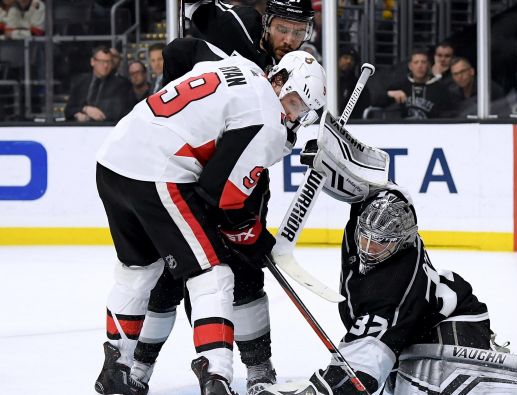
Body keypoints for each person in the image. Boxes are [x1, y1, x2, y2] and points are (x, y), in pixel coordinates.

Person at [115, 2, 320, 394]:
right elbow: (179, 48)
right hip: (185, 170)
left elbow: (297, 120)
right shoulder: (239, 25)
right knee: (165, 277)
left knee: (243, 269)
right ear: (267, 21)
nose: (290, 39)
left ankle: (259, 369)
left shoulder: (298, 64)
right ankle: (139, 368)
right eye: (283, 29)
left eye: (299, 31)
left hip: (240, 173)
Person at [260, 185, 517, 395]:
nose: (367, 246)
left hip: (455, 318)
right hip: (414, 327)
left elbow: (366, 364)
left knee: (435, 386)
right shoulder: (364, 229)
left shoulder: (395, 286)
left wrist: (329, 388)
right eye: (365, 237)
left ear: (400, 242)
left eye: (379, 242)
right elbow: (387, 190)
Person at [64, 45, 135, 122]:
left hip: (107, 129)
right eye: (102, 61)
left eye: (108, 62)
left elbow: (119, 113)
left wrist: (90, 117)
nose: (105, 65)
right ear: (92, 61)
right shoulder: (81, 82)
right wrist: (85, 109)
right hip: (81, 130)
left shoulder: (122, 85)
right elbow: (68, 110)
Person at [383, 48, 453, 119]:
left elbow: (449, 114)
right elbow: (376, 100)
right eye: (416, 62)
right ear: (410, 66)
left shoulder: (440, 88)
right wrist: (390, 94)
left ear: (428, 65)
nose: (420, 66)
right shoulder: (401, 85)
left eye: (423, 62)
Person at [338, 45, 370, 119]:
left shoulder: (358, 84)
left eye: (352, 59)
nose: (349, 61)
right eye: (345, 57)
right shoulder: (328, 80)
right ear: (338, 59)